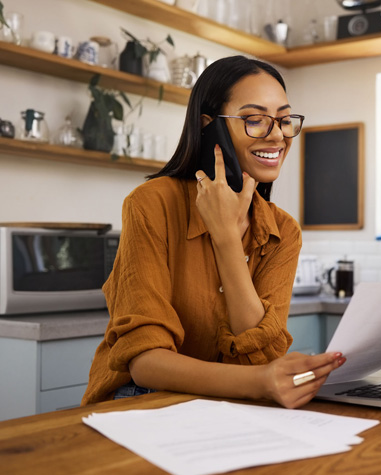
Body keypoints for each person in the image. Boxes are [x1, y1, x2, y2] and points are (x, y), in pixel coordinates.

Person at [82, 56, 345, 409]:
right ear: (210, 127)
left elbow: (260, 356)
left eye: (284, 120)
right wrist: (260, 382)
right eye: (255, 120)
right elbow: (145, 363)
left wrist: (225, 240)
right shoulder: (152, 203)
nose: (278, 135)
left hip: (233, 402)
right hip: (142, 400)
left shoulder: (283, 231)